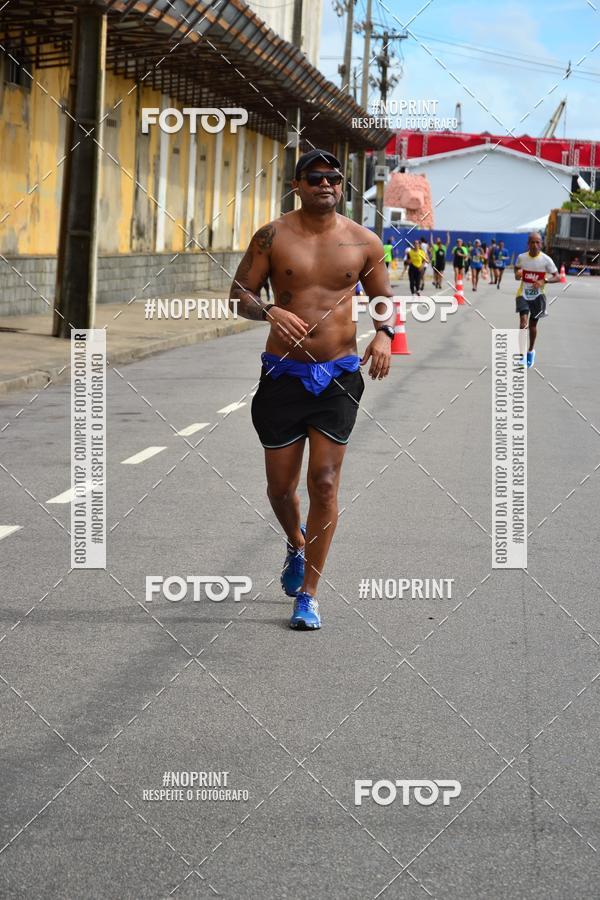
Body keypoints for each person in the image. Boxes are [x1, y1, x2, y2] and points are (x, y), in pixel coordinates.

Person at [229, 149, 394, 630]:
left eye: (335, 178)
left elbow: (383, 298)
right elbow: (238, 294)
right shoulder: (272, 236)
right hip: (283, 374)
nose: (327, 184)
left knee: (323, 482)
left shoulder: (364, 242)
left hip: (338, 375)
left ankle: (309, 595)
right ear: (297, 184)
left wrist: (383, 334)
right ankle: (296, 543)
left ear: (342, 186)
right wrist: (268, 312)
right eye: (316, 177)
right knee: (280, 488)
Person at [514, 231, 559, 368]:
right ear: (528, 244)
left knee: (533, 326)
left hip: (538, 297)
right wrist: (518, 274)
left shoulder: (546, 260)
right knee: (523, 324)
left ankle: (530, 351)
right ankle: (521, 355)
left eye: (537, 242)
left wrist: (544, 280)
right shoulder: (522, 258)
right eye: (532, 242)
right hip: (523, 294)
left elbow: (557, 277)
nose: (535, 245)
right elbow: (516, 274)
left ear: (541, 244)